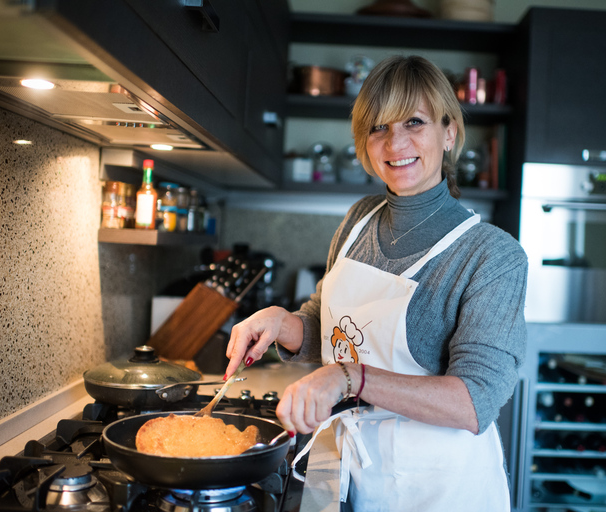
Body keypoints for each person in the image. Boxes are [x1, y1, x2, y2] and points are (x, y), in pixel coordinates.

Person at [224, 55, 527, 510]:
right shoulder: (358, 220)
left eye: (414, 122)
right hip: (360, 474)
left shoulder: (492, 254)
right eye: (378, 127)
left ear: (448, 133)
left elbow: (474, 401)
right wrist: (279, 322)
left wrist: (348, 377)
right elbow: (329, 326)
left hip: (442, 490)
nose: (394, 142)